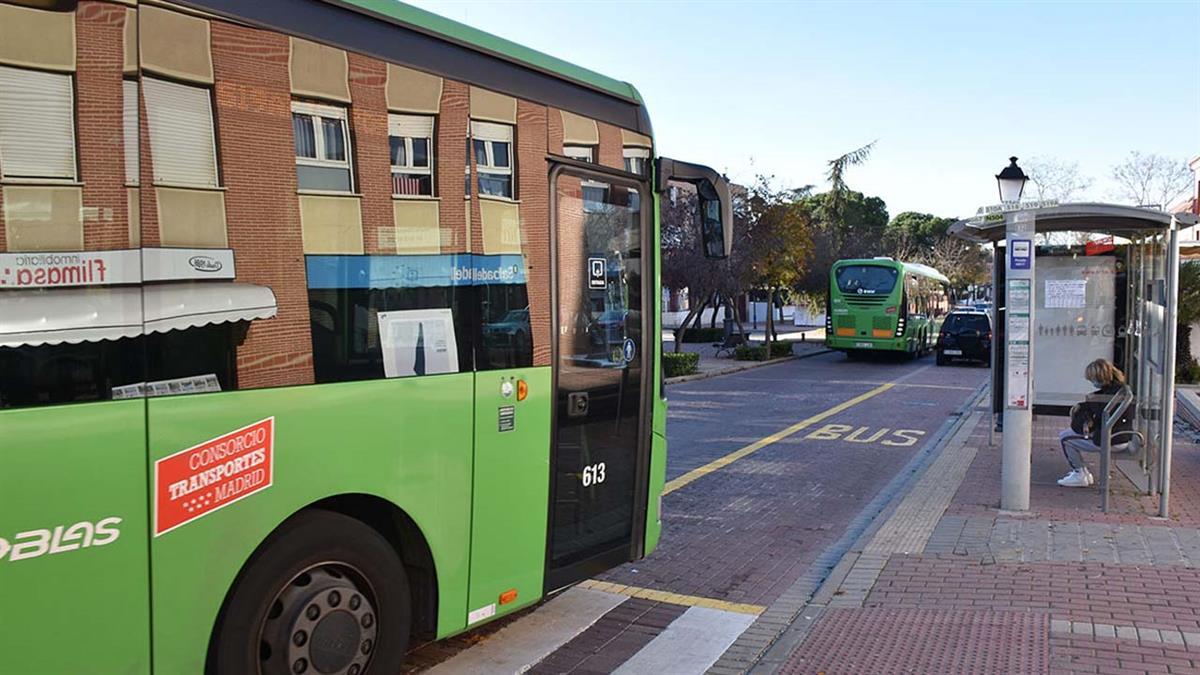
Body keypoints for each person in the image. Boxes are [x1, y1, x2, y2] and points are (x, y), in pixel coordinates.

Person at [1057, 359, 1134, 487]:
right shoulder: (1118, 390)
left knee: (1065, 438)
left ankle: (1079, 473)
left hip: (1113, 439)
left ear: (1099, 377)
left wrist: (1085, 410)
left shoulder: (1108, 395)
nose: (1092, 383)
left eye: (1092, 379)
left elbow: (1100, 415)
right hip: (1121, 436)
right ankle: (1083, 474)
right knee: (1068, 434)